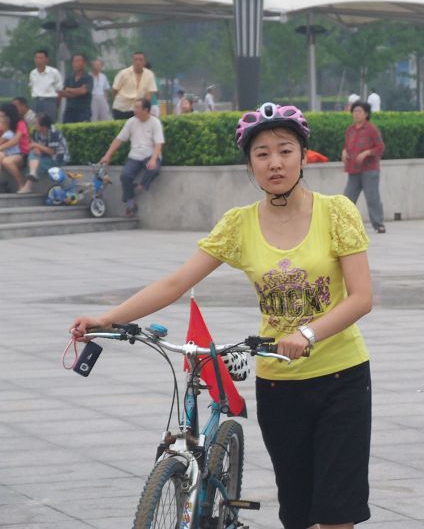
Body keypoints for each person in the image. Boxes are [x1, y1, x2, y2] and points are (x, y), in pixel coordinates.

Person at [70, 102, 373, 529]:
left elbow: (361, 297)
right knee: (299, 512)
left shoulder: (337, 211)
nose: (275, 162)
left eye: (285, 150)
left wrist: (307, 332)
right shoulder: (239, 224)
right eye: (262, 153)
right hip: (279, 384)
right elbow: (175, 283)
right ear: (250, 164)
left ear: (304, 156)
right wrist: (108, 318)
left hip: (341, 378)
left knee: (337, 513)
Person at [99, 98, 164, 218]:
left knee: (153, 169)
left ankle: (138, 188)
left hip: (150, 155)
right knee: (125, 176)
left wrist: (154, 159)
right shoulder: (131, 122)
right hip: (134, 156)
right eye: (135, 107)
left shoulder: (155, 122)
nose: (135, 110)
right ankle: (131, 205)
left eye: (138, 108)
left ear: (146, 110)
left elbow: (158, 143)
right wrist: (107, 155)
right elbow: (119, 139)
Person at [342, 101, 386, 233]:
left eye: (359, 111)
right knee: (347, 198)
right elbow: (347, 145)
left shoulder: (371, 129)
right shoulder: (350, 130)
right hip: (353, 169)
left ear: (366, 114)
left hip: (369, 169)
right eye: (354, 111)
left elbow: (380, 147)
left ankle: (379, 224)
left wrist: (367, 153)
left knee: (372, 197)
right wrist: (344, 152)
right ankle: (344, 224)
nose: (356, 114)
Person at [16, 113, 69, 194]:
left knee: (39, 164)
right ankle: (32, 173)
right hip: (44, 156)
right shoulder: (37, 133)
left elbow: (51, 152)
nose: (34, 126)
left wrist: (37, 145)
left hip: (57, 158)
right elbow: (33, 145)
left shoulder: (53, 133)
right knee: (33, 154)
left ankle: (28, 186)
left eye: (36, 124)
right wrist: (36, 148)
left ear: (43, 126)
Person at [111, 52, 157, 120]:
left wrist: (146, 108)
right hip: (121, 108)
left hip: (139, 110)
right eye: (135, 60)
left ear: (144, 61)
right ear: (132, 61)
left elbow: (149, 94)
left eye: (140, 60)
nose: (138, 62)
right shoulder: (123, 73)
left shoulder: (149, 74)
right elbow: (115, 90)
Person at [0, 102, 30, 190]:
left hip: (21, 153)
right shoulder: (3, 124)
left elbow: (15, 141)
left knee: (7, 161)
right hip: (7, 152)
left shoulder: (21, 123)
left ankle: (21, 185)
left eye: (2, 113)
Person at [28, 49, 63, 121]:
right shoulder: (32, 73)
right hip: (36, 101)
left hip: (49, 101)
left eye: (41, 58)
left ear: (46, 59)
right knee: (36, 123)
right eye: (36, 58)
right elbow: (32, 88)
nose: (38, 60)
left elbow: (59, 90)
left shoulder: (54, 72)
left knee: (50, 123)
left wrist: (55, 105)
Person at [59, 53, 94, 123]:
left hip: (83, 111)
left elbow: (84, 91)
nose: (76, 63)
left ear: (84, 63)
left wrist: (70, 90)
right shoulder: (69, 78)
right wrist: (78, 91)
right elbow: (63, 93)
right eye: (74, 61)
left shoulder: (88, 78)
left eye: (78, 61)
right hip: (69, 111)